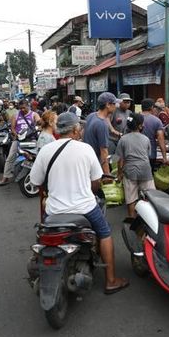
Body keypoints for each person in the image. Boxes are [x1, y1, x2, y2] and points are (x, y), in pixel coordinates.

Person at [29, 112, 129, 295]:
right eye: (80, 128)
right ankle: (111, 280)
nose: (81, 130)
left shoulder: (46, 150)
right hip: (85, 208)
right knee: (105, 233)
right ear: (75, 130)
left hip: (55, 211)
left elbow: (36, 182)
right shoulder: (86, 149)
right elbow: (97, 181)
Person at [116, 113, 156, 218]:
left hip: (129, 171)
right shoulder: (146, 139)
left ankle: (132, 222)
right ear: (139, 126)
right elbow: (147, 155)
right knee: (150, 197)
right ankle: (149, 221)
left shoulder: (123, 139)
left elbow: (119, 159)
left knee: (131, 199)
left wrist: (119, 173)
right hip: (145, 170)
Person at [0, 101, 41, 186]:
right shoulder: (16, 115)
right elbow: (13, 128)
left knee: (38, 156)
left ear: (28, 106)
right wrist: (16, 134)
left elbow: (39, 123)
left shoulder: (34, 114)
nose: (22, 109)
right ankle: (5, 177)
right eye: (21, 108)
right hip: (19, 140)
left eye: (24, 108)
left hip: (32, 140)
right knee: (10, 157)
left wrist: (39, 126)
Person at [84, 92, 117, 177]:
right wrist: (107, 174)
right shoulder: (102, 124)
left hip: (86, 161)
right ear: (108, 105)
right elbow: (104, 152)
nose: (116, 106)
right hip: (95, 166)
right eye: (114, 103)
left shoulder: (91, 116)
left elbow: (82, 134)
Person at [139, 99, 168, 170]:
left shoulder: (134, 118)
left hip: (135, 154)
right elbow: (161, 140)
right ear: (152, 107)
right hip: (150, 154)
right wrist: (164, 157)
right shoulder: (156, 121)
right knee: (148, 177)